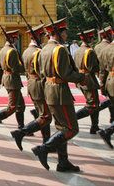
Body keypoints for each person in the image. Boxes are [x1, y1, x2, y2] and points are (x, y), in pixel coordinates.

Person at [31, 18, 86, 172]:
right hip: (60, 92)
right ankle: (44, 148)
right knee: (71, 128)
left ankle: (63, 162)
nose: (66, 35)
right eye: (65, 32)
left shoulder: (43, 49)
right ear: (59, 33)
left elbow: (41, 72)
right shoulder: (59, 49)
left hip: (49, 91)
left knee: (61, 127)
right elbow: (65, 73)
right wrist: (81, 77)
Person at [11, 24, 51, 151]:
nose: (44, 38)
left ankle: (46, 140)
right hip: (39, 84)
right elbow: (42, 72)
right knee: (45, 116)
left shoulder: (26, 51)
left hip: (31, 84)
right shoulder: (38, 52)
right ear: (38, 36)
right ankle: (24, 133)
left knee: (43, 114)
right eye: (42, 35)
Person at [0, 30, 26, 135]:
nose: (16, 41)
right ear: (12, 39)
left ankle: (22, 126)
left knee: (21, 105)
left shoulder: (3, 50)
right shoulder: (12, 51)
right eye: (15, 39)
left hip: (7, 80)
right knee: (12, 107)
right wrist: (25, 67)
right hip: (13, 81)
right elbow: (16, 68)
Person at [73, 29, 104, 134]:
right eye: (91, 38)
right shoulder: (89, 51)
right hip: (89, 80)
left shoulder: (77, 50)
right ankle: (74, 118)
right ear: (89, 38)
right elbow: (93, 68)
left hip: (81, 79)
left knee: (93, 103)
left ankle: (94, 126)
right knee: (93, 105)